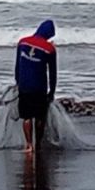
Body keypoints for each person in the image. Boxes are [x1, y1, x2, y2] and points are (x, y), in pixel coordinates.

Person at [15, 20, 57, 153]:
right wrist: (52, 91)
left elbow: (17, 66)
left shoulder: (22, 42)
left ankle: (28, 145)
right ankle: (37, 144)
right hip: (39, 87)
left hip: (24, 85)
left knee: (27, 117)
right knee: (40, 117)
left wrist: (18, 82)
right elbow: (53, 72)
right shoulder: (49, 49)